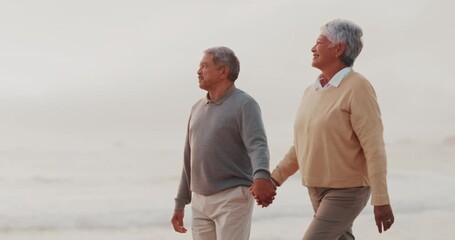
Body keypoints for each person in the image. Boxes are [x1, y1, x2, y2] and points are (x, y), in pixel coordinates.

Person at [253, 19, 395, 239]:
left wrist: (381, 198)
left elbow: (373, 146)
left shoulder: (358, 88)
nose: (312, 48)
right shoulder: (311, 91)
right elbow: (302, 144)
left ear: (338, 49)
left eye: (319, 42)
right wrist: (274, 179)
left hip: (348, 190)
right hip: (315, 189)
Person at [171, 46, 276, 240]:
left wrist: (261, 175)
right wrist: (180, 201)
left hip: (233, 197)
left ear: (223, 71)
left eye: (204, 66)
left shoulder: (245, 104)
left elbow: (257, 145)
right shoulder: (197, 108)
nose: (198, 71)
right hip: (200, 201)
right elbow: (189, 158)